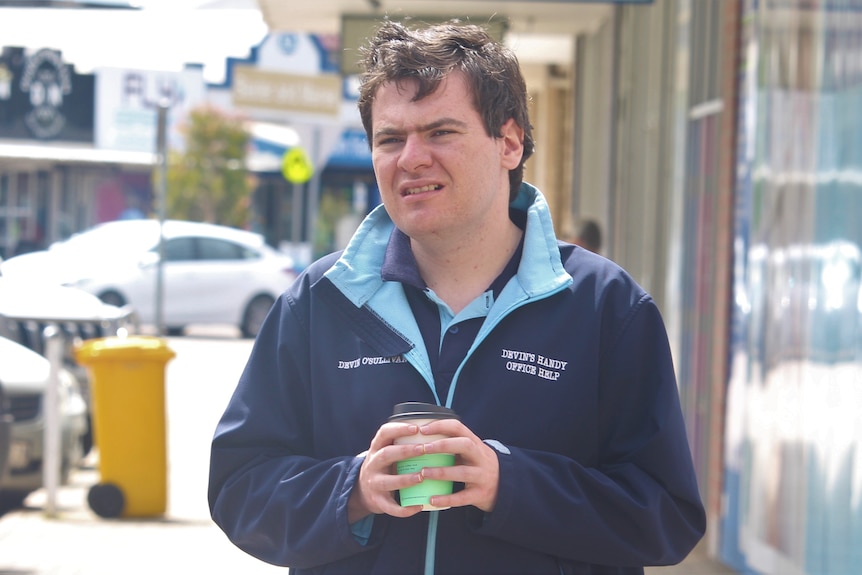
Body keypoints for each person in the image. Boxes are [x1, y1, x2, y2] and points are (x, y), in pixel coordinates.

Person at [208, 20, 706, 575]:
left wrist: (506, 481)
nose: (411, 158)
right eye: (390, 139)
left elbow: (665, 518)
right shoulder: (320, 302)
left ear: (509, 143)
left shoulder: (605, 306)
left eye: (440, 132)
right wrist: (352, 489)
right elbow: (239, 488)